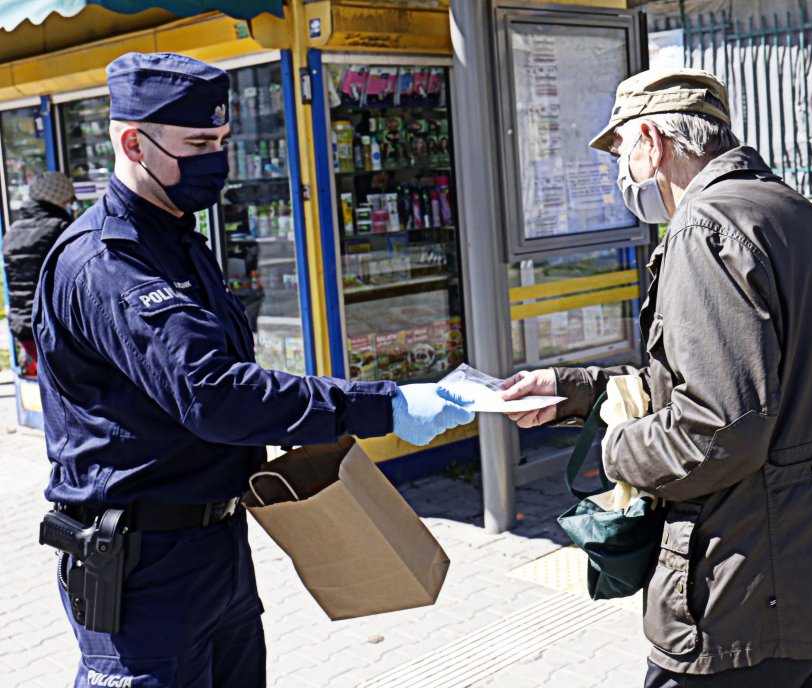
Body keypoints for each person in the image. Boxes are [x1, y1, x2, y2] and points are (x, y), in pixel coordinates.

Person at [33, 52, 473, 687]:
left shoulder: (177, 236)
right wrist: (383, 405)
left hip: (215, 546)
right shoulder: (108, 262)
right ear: (134, 141)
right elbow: (214, 394)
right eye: (200, 143)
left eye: (224, 140)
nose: (218, 158)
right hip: (141, 566)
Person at [500, 68, 812, 688]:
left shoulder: (704, 228)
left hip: (747, 594)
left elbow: (717, 432)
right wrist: (575, 392)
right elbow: (752, 379)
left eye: (621, 152)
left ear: (652, 143)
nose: (623, 174)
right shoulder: (790, 210)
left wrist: (610, 448)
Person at [2, 171, 76, 377]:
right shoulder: (61, 229)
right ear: (60, 199)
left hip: (23, 327)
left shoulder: (13, 231)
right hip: (52, 328)